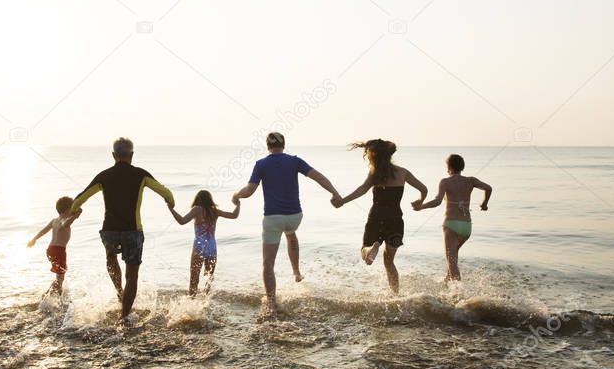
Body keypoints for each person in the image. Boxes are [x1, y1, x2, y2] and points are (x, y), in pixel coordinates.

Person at [233, 132, 341, 310]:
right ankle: (296, 272)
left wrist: (236, 196)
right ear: (284, 145)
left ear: (268, 146)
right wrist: (335, 194)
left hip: (273, 218)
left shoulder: (261, 164)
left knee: (268, 263)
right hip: (295, 217)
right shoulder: (295, 161)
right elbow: (319, 177)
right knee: (291, 234)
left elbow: (250, 190)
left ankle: (271, 303)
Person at [68, 137, 175, 318]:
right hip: (133, 231)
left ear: (113, 155)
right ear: (131, 155)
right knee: (132, 276)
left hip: (110, 231)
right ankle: (124, 316)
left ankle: (119, 292)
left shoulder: (103, 176)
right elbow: (166, 192)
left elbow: (78, 200)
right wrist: (170, 202)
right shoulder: (140, 174)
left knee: (111, 259)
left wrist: (75, 209)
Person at [333, 140, 427, 293]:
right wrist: (420, 202)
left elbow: (362, 189)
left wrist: (342, 201)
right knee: (389, 261)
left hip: (376, 217)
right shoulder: (403, 172)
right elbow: (424, 188)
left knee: (366, 254)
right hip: (396, 220)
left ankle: (371, 247)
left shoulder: (375, 173)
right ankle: (395, 295)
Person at [413, 154, 493, 282]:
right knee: (452, 257)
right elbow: (488, 188)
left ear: (448, 167)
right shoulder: (471, 180)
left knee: (452, 262)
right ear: (462, 167)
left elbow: (437, 201)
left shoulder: (445, 182)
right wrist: (484, 204)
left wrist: (421, 207)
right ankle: (447, 281)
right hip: (466, 227)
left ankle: (458, 295)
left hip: (451, 225)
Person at [168, 190, 240, 297]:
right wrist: (238, 204)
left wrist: (171, 209)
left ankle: (192, 301)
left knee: (194, 279)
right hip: (212, 248)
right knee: (208, 280)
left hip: (199, 247)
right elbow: (234, 215)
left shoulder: (197, 209)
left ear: (198, 199)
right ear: (210, 200)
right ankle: (206, 304)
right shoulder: (215, 211)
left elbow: (182, 221)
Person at [27, 196, 82, 297]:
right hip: (59, 251)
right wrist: (74, 217)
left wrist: (34, 239)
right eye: (73, 208)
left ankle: (51, 295)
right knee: (60, 278)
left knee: (60, 276)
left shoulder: (54, 220)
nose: (74, 210)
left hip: (50, 250)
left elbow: (44, 231)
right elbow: (65, 225)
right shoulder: (64, 220)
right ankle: (51, 297)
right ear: (66, 210)